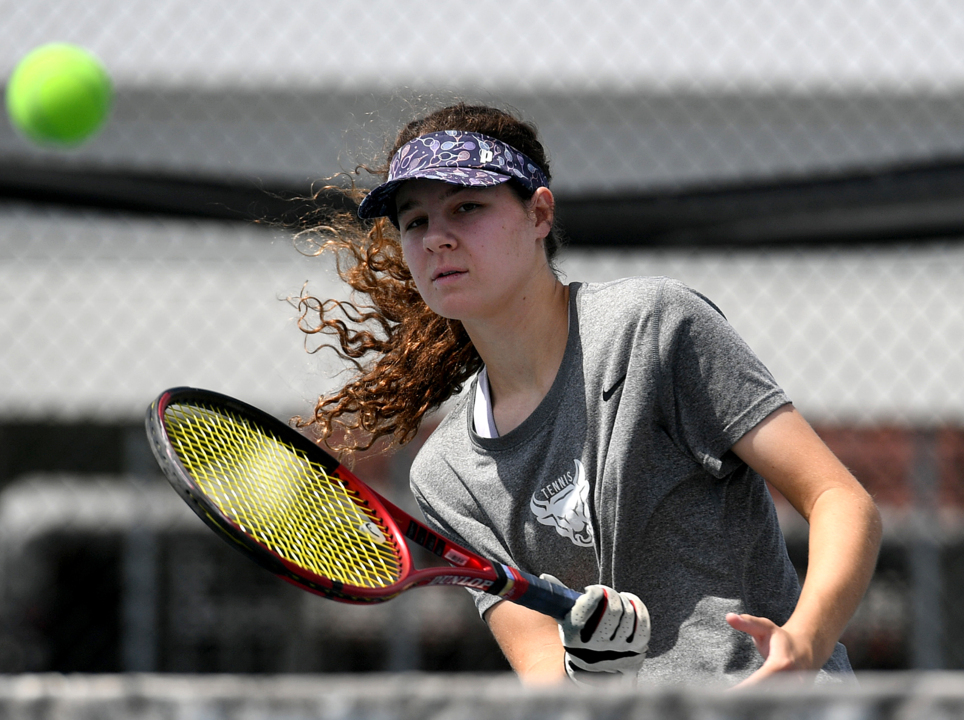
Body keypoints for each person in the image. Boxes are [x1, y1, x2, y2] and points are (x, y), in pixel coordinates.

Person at [293, 103, 882, 687]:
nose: (437, 237)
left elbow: (841, 500)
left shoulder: (653, 324)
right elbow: (547, 677)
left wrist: (802, 645)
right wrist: (593, 673)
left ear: (538, 214)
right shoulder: (446, 474)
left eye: (466, 207)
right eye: (414, 220)